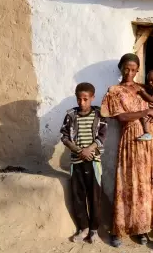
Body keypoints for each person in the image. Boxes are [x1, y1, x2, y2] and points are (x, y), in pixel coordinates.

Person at [101, 53, 153, 247]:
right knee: (128, 182)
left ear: (138, 70)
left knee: (147, 184)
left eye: (133, 69)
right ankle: (119, 229)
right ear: (121, 68)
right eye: (126, 68)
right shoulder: (115, 91)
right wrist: (146, 112)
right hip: (132, 139)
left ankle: (142, 228)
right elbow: (121, 117)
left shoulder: (145, 88)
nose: (130, 72)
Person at [60, 82, 108, 244]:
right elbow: (65, 137)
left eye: (85, 99)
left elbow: (102, 136)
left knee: (94, 197)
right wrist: (79, 151)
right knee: (78, 196)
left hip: (93, 161)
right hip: (76, 162)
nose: (82, 102)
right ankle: (83, 228)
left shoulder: (98, 115)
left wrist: (89, 150)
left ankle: (94, 230)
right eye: (79, 99)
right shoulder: (71, 115)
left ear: (92, 98)